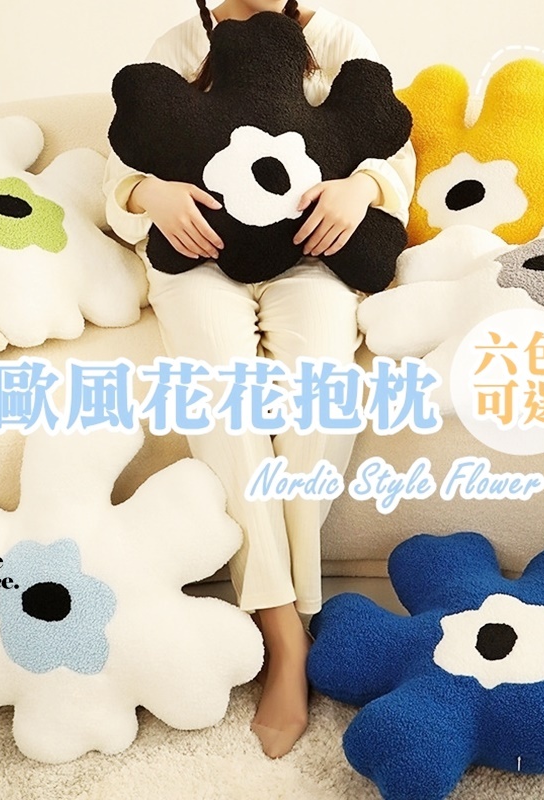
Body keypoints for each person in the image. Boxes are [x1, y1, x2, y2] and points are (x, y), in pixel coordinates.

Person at [103, 0, 415, 759]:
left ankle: (292, 617)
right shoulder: (180, 43)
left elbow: (387, 141)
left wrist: (362, 189)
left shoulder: (336, 38)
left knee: (321, 393)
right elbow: (125, 160)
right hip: (198, 258)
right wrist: (151, 195)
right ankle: (283, 630)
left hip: (311, 254)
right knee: (223, 394)